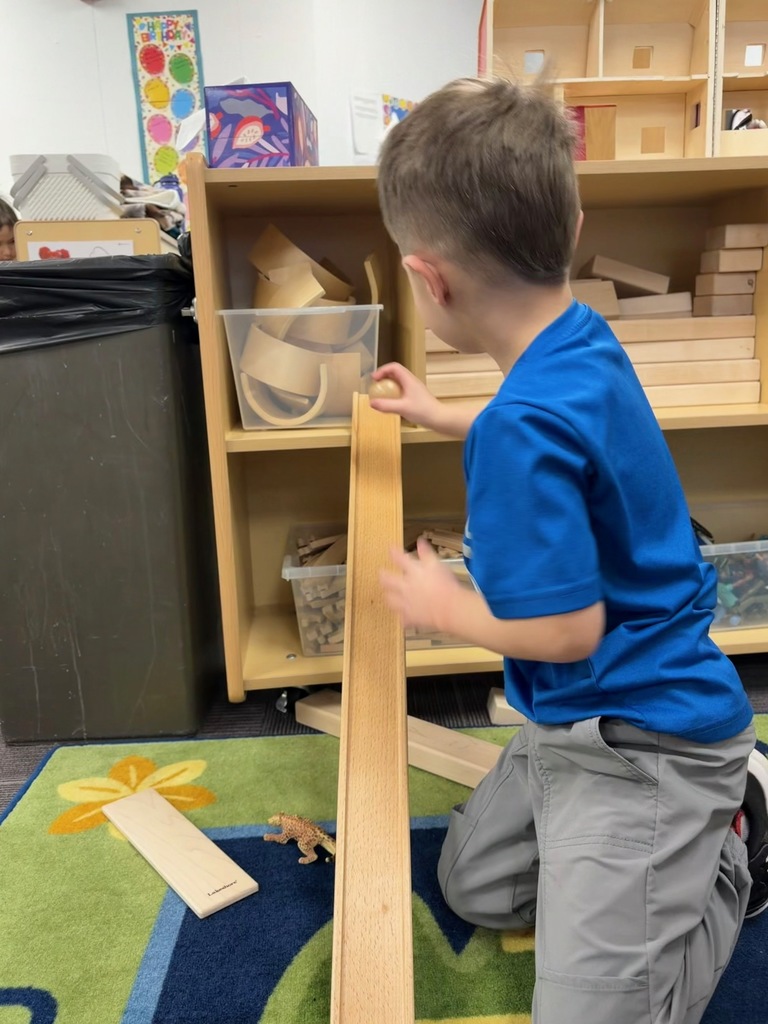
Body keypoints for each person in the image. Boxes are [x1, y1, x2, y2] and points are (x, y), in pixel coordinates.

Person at [370, 75, 768, 1024]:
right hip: (575, 727)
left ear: (429, 280)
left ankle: (734, 839)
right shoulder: (581, 338)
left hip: (653, 744)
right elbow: (551, 435)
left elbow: (565, 628)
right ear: (574, 219)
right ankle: (666, 843)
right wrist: (444, 414)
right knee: (475, 889)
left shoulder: (524, 424)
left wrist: (444, 608)